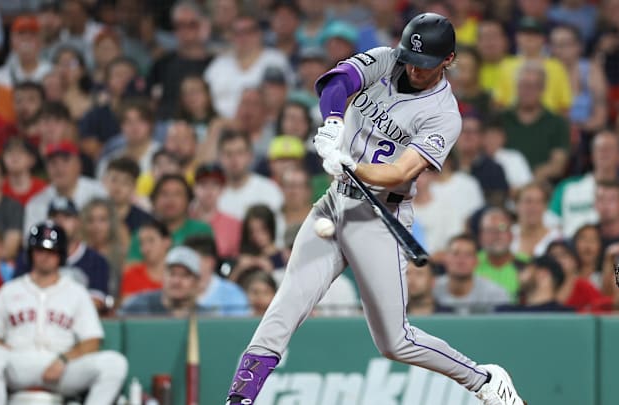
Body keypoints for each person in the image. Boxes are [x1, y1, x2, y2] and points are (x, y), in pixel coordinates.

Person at [224, 13, 525, 405]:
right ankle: (239, 398)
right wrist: (333, 123)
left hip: (381, 217)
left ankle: (484, 380)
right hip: (334, 204)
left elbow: (402, 170)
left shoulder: (444, 114)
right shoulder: (387, 60)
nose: (415, 68)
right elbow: (338, 81)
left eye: (426, 63)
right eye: (411, 58)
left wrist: (352, 165)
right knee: (285, 305)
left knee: (394, 342)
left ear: (448, 60)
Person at [0, 221, 128, 404]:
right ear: (30, 254)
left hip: (62, 365)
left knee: (115, 364)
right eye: (39, 250)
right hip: (19, 362)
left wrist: (63, 360)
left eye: (51, 252)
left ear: (61, 255)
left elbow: (92, 340)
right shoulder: (10, 290)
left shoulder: (76, 292)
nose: (44, 257)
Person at [119, 245, 207, 318]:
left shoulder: (206, 317)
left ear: (197, 282)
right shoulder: (137, 307)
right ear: (163, 276)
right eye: (172, 274)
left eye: (185, 275)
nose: (176, 281)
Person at [436, 235, 511, 314]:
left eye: (468, 254)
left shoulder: (496, 294)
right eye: (455, 253)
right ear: (445, 259)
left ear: (476, 261)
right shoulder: (431, 290)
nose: (461, 260)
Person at [185, 235, 249, 316]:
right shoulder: (176, 291)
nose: (186, 264)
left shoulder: (232, 294)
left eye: (191, 259)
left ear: (210, 262)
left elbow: (239, 326)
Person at [496, 256, 575, 312]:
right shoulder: (505, 313)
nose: (518, 274)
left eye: (524, 269)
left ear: (543, 274)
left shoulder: (565, 316)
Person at [120, 218, 171, 301]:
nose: (146, 248)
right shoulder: (132, 274)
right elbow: (127, 310)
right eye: (142, 243)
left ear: (166, 242)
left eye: (151, 240)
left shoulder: (178, 276)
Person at [1, 136, 47, 206]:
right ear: (3, 158)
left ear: (32, 160)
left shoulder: (43, 190)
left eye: (20, 152)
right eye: (9, 152)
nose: (14, 156)